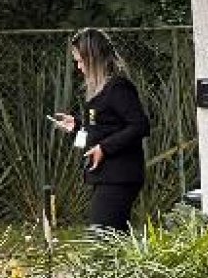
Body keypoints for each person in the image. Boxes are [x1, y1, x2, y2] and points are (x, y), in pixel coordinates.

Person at [54, 28, 151, 232]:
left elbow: (139, 125)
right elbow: (105, 126)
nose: (79, 67)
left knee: (103, 237)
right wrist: (77, 126)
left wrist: (104, 148)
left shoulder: (118, 88)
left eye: (81, 61)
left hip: (119, 175)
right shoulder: (99, 92)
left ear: (93, 59)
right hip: (106, 176)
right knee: (112, 238)